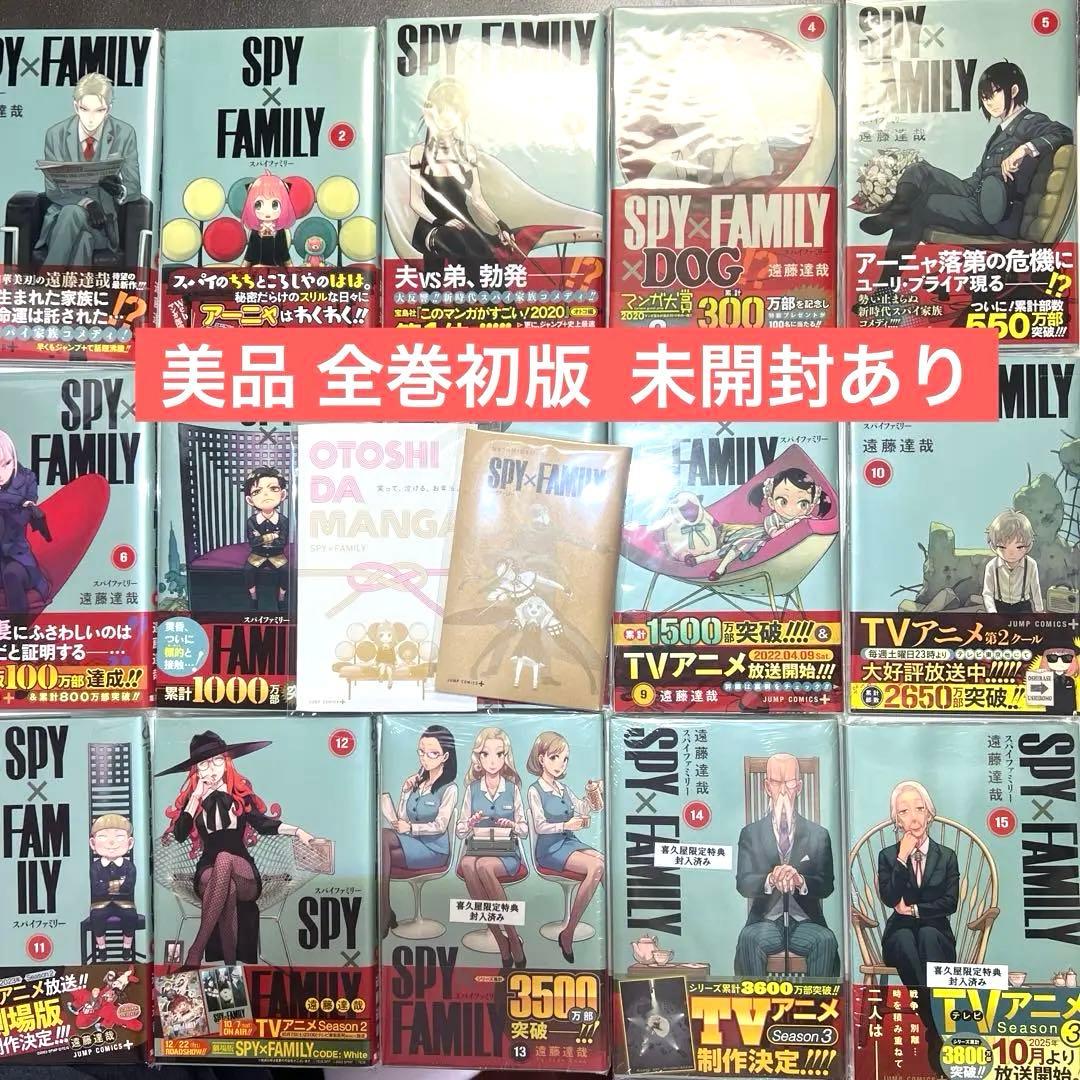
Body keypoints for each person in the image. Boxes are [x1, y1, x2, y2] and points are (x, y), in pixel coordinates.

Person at [857, 61, 1072, 290]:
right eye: (984, 97)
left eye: (993, 93)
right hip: (977, 197)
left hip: (997, 216)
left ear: (1014, 90)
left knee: (918, 207)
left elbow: (1064, 132)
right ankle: (894, 214)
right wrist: (949, 186)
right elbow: (981, 177)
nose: (988, 102)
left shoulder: (1030, 122)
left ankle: (885, 286)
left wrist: (1024, 149)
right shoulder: (1001, 131)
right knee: (919, 170)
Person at [159, 731, 314, 966]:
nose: (211, 769)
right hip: (208, 872)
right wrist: (196, 798)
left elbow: (263, 824)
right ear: (196, 770)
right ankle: (231, 967)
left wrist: (298, 831)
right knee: (226, 887)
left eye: (217, 760)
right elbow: (180, 835)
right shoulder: (194, 799)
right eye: (203, 764)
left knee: (225, 859)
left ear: (227, 762)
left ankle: (195, 951)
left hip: (243, 871)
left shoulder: (239, 795)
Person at [878, 780, 959, 1077]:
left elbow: (950, 902)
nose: (913, 817)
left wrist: (914, 909)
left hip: (936, 934)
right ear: (897, 820)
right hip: (899, 933)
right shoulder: (888, 856)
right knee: (905, 940)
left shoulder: (946, 856)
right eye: (904, 811)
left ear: (929, 813)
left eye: (919, 808)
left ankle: (932, 1028)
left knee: (926, 935)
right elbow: (890, 898)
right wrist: (902, 857)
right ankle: (936, 1027)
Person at [734, 753, 840, 977]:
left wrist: (800, 880)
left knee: (826, 940)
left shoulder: (818, 834)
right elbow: (743, 883)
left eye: (789, 783)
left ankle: (816, 1000)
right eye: (776, 782)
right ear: (767, 787)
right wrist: (771, 879)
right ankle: (754, 1000)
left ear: (798, 787)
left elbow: (826, 885)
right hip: (764, 922)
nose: (783, 791)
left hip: (806, 922)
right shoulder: (751, 833)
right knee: (749, 939)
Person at [408, 77, 515, 282]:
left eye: (454, 110)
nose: (448, 117)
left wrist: (500, 224)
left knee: (483, 253)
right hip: (432, 224)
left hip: (464, 225)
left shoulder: (468, 152)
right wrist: (441, 222)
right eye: (442, 110)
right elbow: (415, 201)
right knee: (456, 240)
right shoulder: (418, 153)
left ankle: (498, 299)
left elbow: (477, 199)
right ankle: (449, 292)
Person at [36, 72, 142, 266]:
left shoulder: (124, 133)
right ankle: (61, 284)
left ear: (108, 109)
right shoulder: (56, 134)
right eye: (85, 109)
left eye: (99, 110)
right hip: (62, 222)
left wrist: (119, 190)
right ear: (76, 106)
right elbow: (52, 190)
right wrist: (86, 203)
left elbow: (134, 186)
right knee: (81, 234)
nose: (91, 118)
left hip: (101, 223)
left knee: (82, 232)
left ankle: (47, 280)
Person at [526, 731, 605, 964]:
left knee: (604, 861)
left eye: (565, 759)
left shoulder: (563, 789)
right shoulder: (535, 790)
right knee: (596, 867)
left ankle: (612, 921)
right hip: (549, 849)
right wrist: (566, 824)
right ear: (541, 759)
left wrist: (593, 793)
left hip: (569, 842)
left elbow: (583, 808)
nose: (560, 764)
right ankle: (569, 932)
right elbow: (539, 826)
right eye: (554, 757)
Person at [456, 727, 529, 970]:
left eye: (499, 754)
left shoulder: (512, 788)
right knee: (468, 864)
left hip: (507, 852)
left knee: (484, 867)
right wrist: (470, 822)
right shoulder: (472, 789)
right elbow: (460, 830)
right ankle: (501, 940)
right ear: (478, 757)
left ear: (506, 757)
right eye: (486, 754)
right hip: (477, 847)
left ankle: (512, 937)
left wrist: (513, 824)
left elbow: (525, 829)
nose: (492, 761)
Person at [381, 725, 458, 939]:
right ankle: (385, 909)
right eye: (421, 752)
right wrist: (405, 792)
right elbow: (402, 820)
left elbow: (440, 825)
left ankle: (384, 910)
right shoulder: (418, 783)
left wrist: (412, 828)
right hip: (412, 844)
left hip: (434, 850)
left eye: (432, 753)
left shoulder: (449, 788)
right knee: (381, 847)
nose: (425, 758)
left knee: (382, 840)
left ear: (445, 756)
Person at [0, 428, 50, 614]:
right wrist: (20, 502)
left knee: (11, 575)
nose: (2, 473)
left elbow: (22, 517)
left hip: (18, 559)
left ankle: (18, 629)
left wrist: (22, 503)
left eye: (6, 463)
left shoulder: (27, 479)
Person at [87, 813, 140, 963]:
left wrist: (107, 885)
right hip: (100, 904)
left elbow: (128, 887)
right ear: (93, 843)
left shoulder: (129, 867)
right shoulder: (95, 867)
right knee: (97, 917)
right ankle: (102, 948)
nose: (111, 842)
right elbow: (96, 888)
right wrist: (118, 884)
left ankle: (126, 947)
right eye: (103, 836)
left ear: (130, 843)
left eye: (119, 836)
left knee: (131, 916)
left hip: (125, 903)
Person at [242, 467, 290, 612]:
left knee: (286, 571)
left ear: (282, 494)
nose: (266, 495)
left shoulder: (283, 520)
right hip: (257, 554)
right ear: (250, 500)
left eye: (273, 489)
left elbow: (282, 542)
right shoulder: (252, 521)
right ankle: (253, 597)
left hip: (277, 555)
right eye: (257, 491)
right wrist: (271, 536)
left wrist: (261, 538)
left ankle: (281, 597)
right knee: (248, 570)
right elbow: (253, 543)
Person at [982, 510, 1043, 613]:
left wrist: (1039, 610)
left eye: (1019, 547)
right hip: (1000, 606)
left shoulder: (1031, 564)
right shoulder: (992, 566)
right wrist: (992, 612)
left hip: (1023, 607)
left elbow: (1035, 589)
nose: (1011, 553)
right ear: (993, 545)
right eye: (1002, 547)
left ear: (1029, 544)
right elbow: (987, 593)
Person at [241, 171, 297, 267]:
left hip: (277, 270)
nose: (267, 211)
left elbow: (284, 254)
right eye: (258, 204)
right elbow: (249, 254)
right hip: (256, 270)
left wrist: (292, 270)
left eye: (275, 204)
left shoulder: (280, 232)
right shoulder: (255, 232)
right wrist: (242, 269)